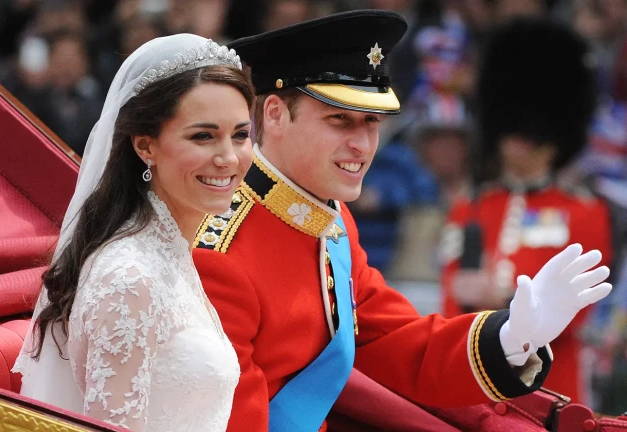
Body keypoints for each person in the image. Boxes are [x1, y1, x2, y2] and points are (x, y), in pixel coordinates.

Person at [192, 10, 612, 432]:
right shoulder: (221, 250)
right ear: (276, 115)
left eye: (372, 122)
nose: (362, 145)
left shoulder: (331, 219)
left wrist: (510, 338)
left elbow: (396, 341)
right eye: (340, 120)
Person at [12, 34, 254, 432]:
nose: (229, 157)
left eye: (241, 135)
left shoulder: (167, 251)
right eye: (203, 136)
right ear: (146, 146)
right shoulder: (129, 277)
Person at [440, 17, 613, 404]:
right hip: (475, 376)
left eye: (528, 133)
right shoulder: (470, 205)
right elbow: (451, 296)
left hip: (551, 386)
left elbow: (581, 310)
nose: (516, 142)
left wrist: (505, 294)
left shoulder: (582, 210)